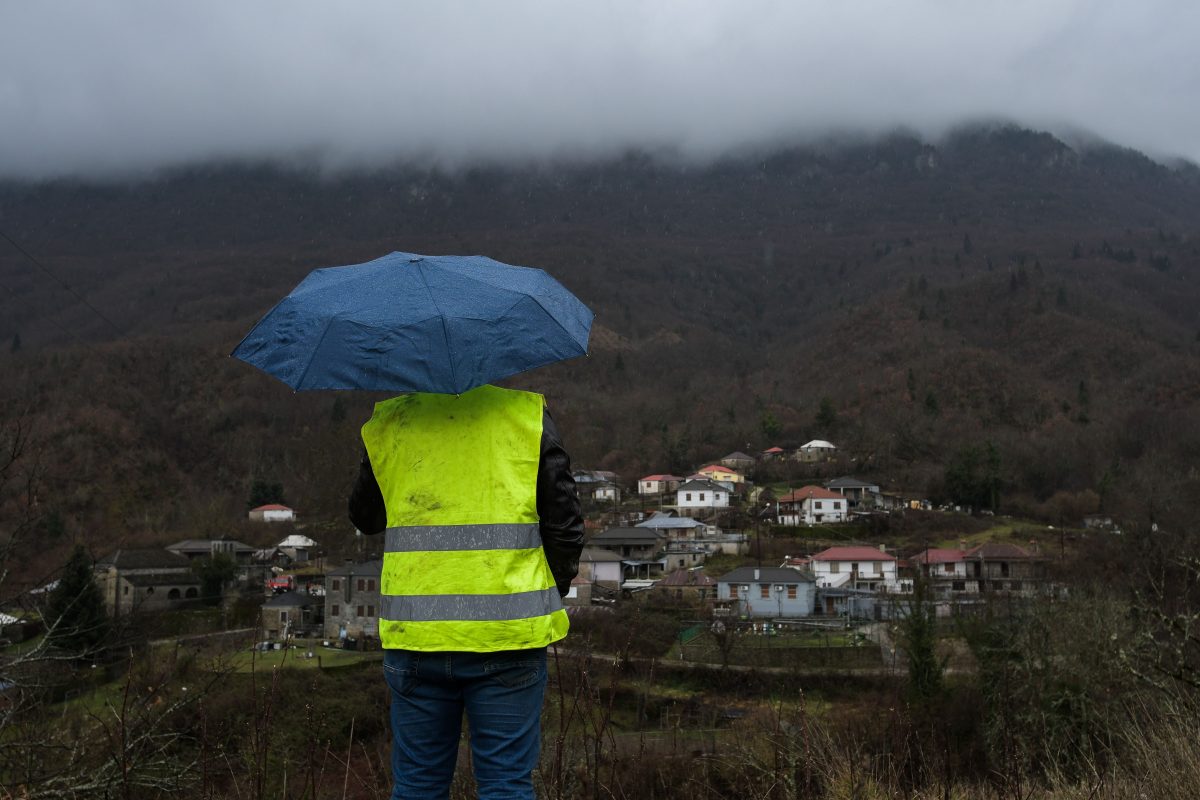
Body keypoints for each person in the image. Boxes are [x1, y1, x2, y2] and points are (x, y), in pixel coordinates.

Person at [348, 384, 584, 800]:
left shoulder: (388, 421)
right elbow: (565, 523)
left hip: (416, 638)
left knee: (418, 787)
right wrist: (551, 589)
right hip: (509, 636)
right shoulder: (526, 415)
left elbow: (366, 517)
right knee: (506, 786)